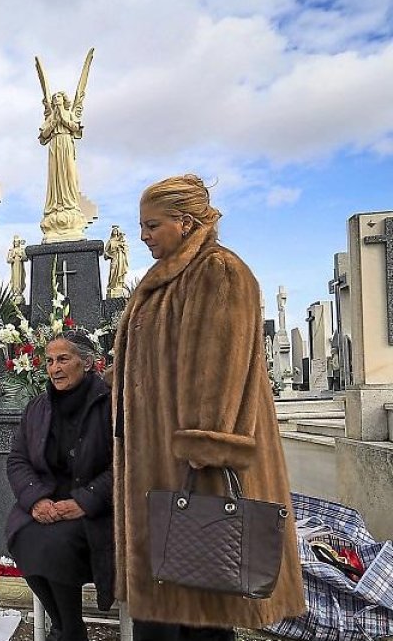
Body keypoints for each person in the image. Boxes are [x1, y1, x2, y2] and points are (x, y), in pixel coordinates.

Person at [112, 175, 305, 640]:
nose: (143, 236)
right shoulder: (160, 282)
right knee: (166, 603)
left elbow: (220, 366)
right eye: (141, 226)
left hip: (199, 470)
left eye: (152, 225)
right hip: (160, 466)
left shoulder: (218, 271)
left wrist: (206, 442)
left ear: (184, 221)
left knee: (204, 602)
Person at [6, 332, 114, 641]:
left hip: (96, 512)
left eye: (64, 359)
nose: (55, 368)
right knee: (23, 534)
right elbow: (17, 459)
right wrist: (36, 500)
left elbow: (124, 464)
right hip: (47, 506)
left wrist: (85, 501)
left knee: (55, 545)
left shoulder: (110, 404)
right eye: (50, 361)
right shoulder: (38, 408)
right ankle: (68, 628)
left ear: (87, 363)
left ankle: (67, 629)